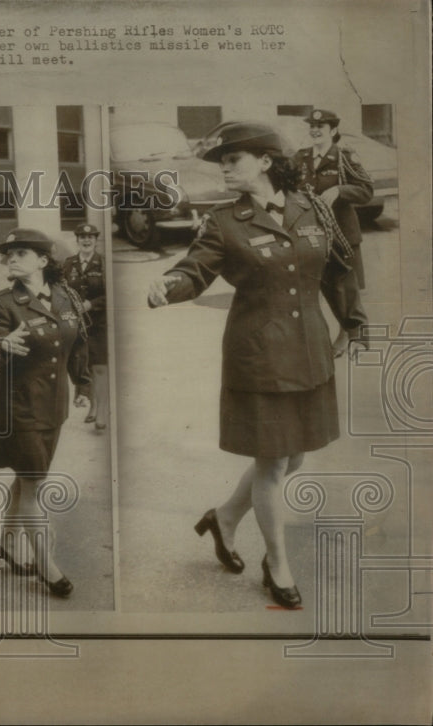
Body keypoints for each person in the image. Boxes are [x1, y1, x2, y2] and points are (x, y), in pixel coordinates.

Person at [147, 122, 360, 609]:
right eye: (221, 161)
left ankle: (222, 518)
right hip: (260, 356)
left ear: (266, 162)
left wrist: (352, 321)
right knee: (273, 461)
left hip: (310, 350)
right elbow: (194, 269)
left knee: (294, 456)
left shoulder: (312, 209)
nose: (224, 168)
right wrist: (167, 285)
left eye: (233, 159)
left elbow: (337, 268)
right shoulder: (224, 221)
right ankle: (277, 564)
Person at [0, 228, 91, 598]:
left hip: (53, 407)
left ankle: (8, 545)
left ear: (43, 261)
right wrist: (0, 344)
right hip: (19, 408)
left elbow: (78, 344)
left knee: (26, 478)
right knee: (33, 483)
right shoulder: (3, 302)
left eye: (21, 253)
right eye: (8, 254)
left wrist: (83, 385)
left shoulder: (67, 297)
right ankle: (47, 565)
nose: (11, 258)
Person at [293, 108, 373, 357]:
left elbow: (366, 191)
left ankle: (354, 337)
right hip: (311, 234)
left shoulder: (344, 156)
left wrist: (340, 190)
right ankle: (338, 335)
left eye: (322, 127)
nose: (315, 131)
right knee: (322, 286)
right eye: (313, 127)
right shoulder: (301, 157)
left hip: (342, 235)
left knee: (346, 289)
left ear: (333, 131)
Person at [62, 222, 108, 432]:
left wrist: (91, 304)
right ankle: (93, 405)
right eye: (82, 237)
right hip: (77, 324)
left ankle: (102, 410)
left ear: (96, 240)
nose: (87, 241)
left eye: (91, 238)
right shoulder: (69, 264)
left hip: (98, 324)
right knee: (85, 366)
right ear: (78, 240)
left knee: (99, 367)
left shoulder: (103, 264)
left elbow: (110, 295)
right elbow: (62, 291)